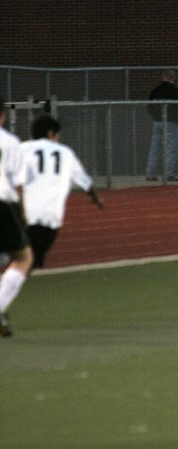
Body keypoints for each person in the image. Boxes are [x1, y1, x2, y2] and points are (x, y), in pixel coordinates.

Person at [20, 113, 103, 270]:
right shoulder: (65, 153)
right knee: (35, 260)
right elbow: (83, 180)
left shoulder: (22, 149)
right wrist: (95, 197)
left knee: (22, 257)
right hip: (51, 217)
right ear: (51, 133)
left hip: (25, 214)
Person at [0, 98, 33, 337]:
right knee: (23, 257)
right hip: (2, 202)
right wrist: (23, 212)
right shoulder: (10, 142)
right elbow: (18, 183)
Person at [145, 69, 178, 182]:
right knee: (170, 148)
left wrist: (155, 116)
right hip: (171, 122)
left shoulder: (155, 90)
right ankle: (169, 174)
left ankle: (150, 173)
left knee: (155, 148)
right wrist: (177, 119)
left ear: (163, 77)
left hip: (157, 122)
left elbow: (149, 106)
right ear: (173, 78)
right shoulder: (175, 91)